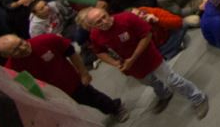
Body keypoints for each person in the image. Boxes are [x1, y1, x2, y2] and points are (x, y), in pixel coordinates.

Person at [76, 7, 209, 118]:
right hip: (132, 66)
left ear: (107, 13)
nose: (104, 22)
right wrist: (116, 63)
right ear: (92, 26)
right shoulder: (95, 35)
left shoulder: (127, 19)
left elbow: (147, 35)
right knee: (150, 82)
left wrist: (132, 59)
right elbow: (99, 52)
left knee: (172, 80)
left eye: (104, 17)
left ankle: (198, 98)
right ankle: (164, 94)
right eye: (98, 22)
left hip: (149, 57)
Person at [0, 33, 129, 122]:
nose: (22, 48)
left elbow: (71, 52)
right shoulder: (11, 69)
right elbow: (26, 88)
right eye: (15, 50)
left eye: (21, 43)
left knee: (94, 98)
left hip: (72, 82)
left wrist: (83, 72)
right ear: (6, 55)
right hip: (53, 96)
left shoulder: (46, 40)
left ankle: (115, 108)